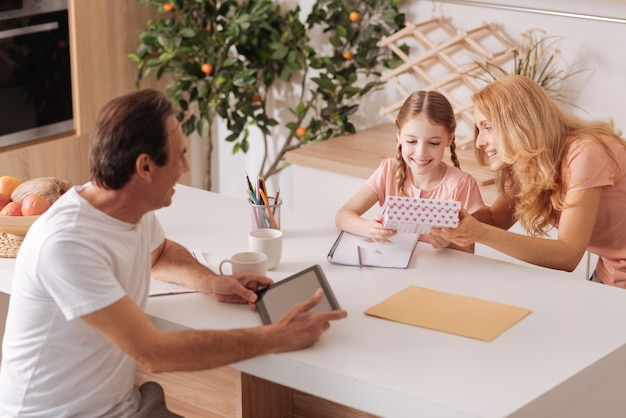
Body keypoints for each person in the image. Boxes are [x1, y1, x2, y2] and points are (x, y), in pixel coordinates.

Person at [0, 89, 347, 417]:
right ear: (145, 167)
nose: (186, 167)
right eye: (180, 156)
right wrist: (274, 338)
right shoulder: (67, 243)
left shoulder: (130, 209)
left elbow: (159, 254)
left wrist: (212, 282)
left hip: (119, 406)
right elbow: (152, 353)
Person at [432, 74, 626, 287]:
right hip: (611, 269)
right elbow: (496, 219)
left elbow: (567, 255)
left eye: (487, 128)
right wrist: (439, 216)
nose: (478, 142)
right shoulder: (532, 163)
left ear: (520, 124)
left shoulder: (584, 154)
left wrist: (481, 233)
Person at [335, 90, 485, 253]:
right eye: (411, 141)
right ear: (398, 135)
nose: (421, 153)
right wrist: (369, 228)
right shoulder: (389, 170)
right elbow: (342, 216)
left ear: (449, 138)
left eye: (433, 143)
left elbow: (468, 251)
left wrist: (447, 243)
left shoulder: (462, 184)